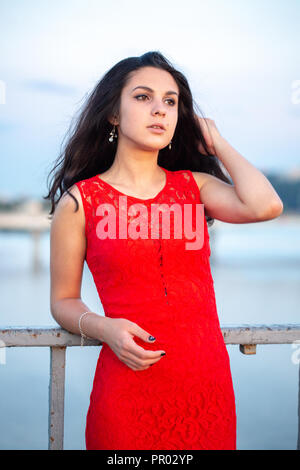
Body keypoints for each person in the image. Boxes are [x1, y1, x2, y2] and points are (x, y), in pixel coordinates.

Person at [45, 51, 283, 450]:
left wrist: (216, 141)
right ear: (113, 115)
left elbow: (266, 206)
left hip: (205, 390)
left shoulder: (197, 187)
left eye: (170, 102)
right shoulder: (80, 202)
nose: (160, 110)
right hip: (127, 389)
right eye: (143, 97)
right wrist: (105, 328)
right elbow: (63, 300)